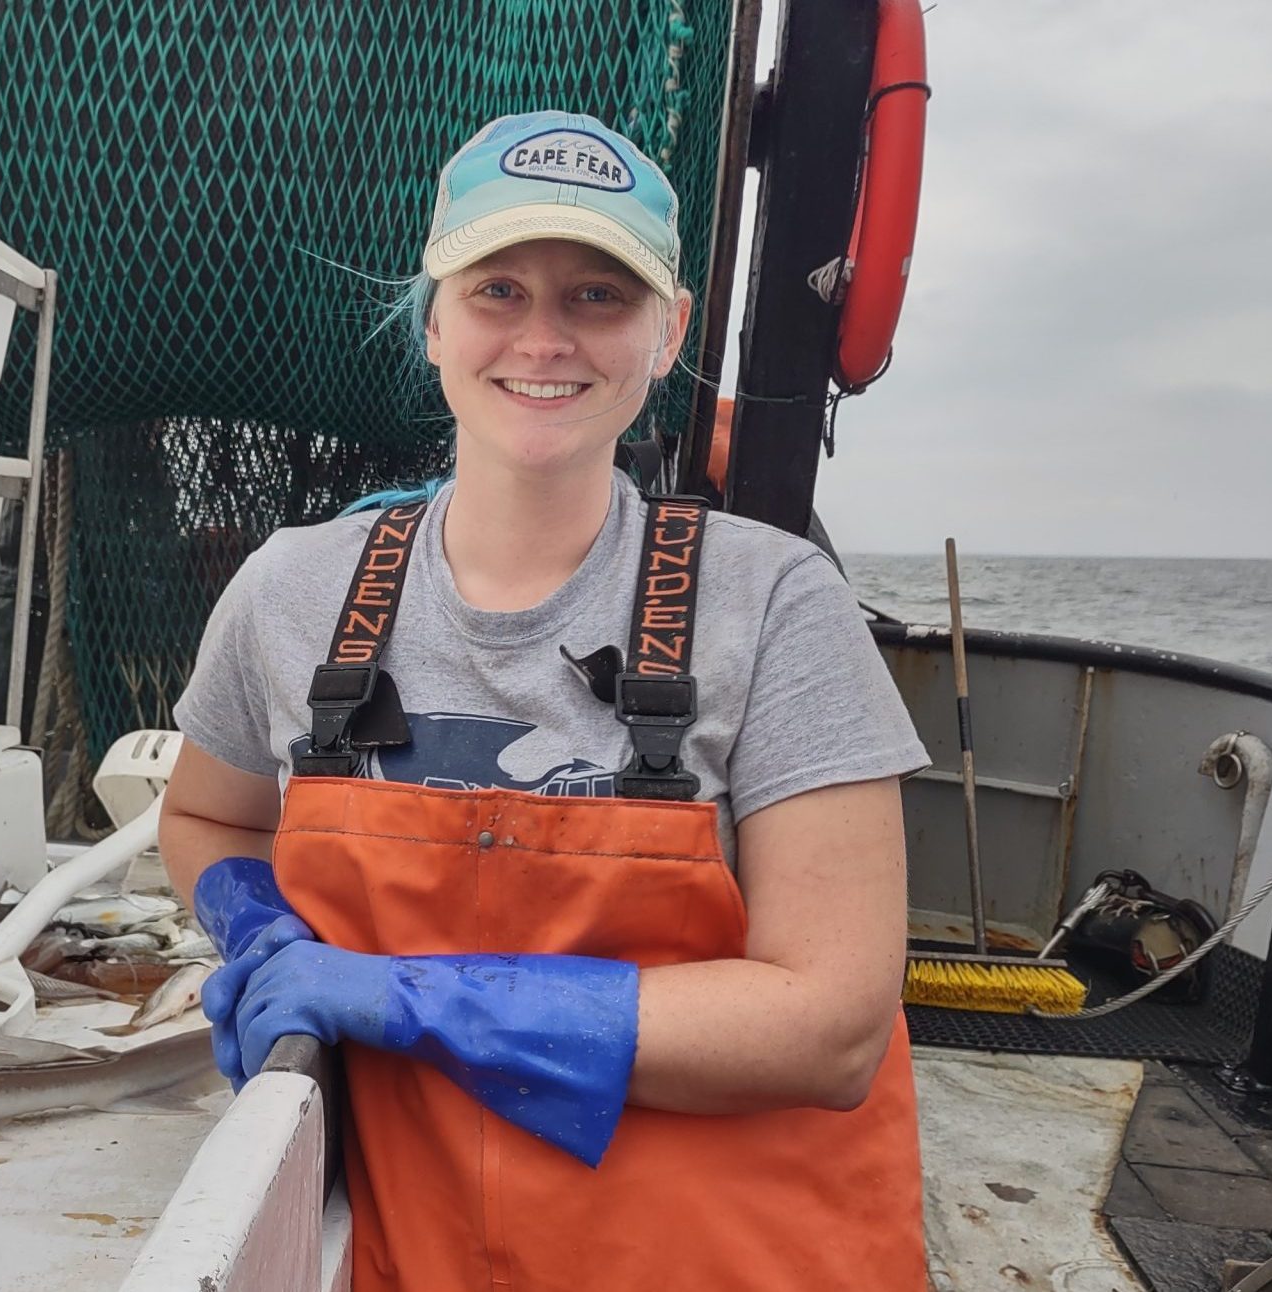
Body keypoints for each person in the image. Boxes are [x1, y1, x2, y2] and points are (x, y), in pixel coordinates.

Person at [159, 111, 931, 1289]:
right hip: (417, 1252)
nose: (544, 338)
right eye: (499, 290)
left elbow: (831, 1025)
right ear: (435, 319)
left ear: (669, 332)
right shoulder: (290, 592)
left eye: (599, 296)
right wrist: (259, 928)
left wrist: (412, 998)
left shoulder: (775, 603)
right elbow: (209, 814)